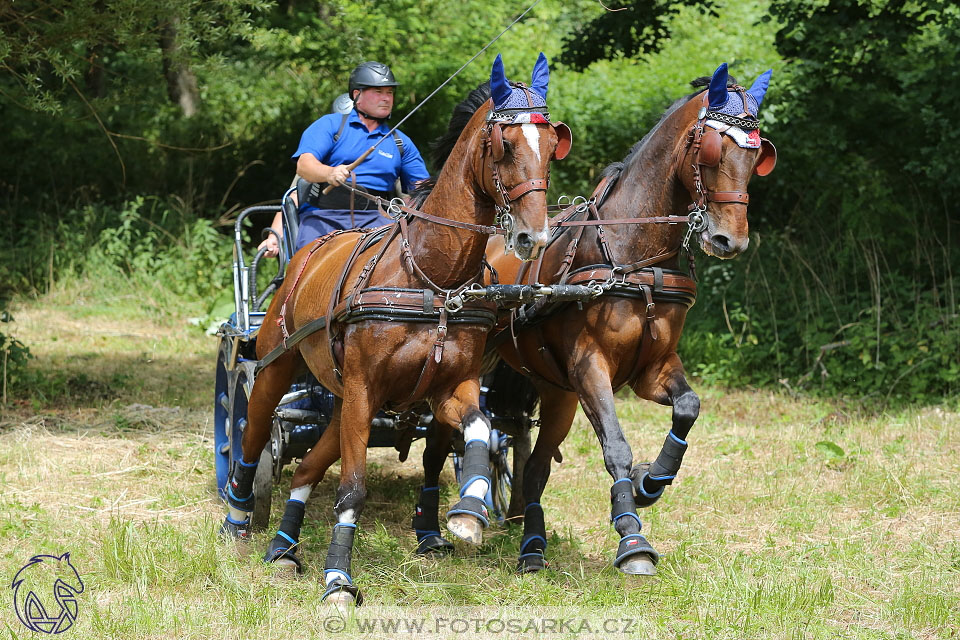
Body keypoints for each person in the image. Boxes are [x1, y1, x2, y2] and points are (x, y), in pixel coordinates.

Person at [258, 62, 429, 258]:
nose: (386, 98)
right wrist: (329, 173)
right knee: (309, 267)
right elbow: (304, 165)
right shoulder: (330, 125)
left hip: (378, 219)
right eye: (378, 91)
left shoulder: (400, 142)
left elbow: (422, 189)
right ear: (357, 94)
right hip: (323, 218)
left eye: (390, 92)